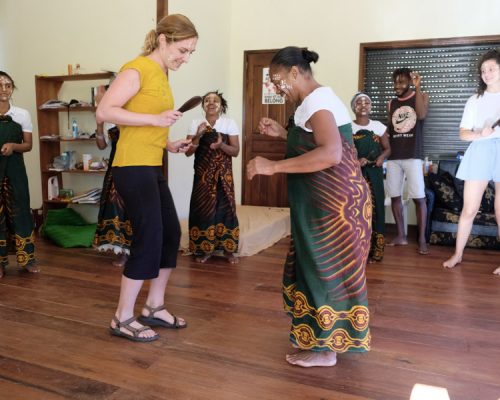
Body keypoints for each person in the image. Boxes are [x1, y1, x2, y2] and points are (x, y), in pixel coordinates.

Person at [247, 47, 371, 368]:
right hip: (322, 204)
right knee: (312, 267)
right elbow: (314, 143)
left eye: (277, 80)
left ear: (294, 73)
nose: (276, 87)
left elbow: (330, 153)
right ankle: (318, 341)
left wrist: (271, 167)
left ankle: (325, 349)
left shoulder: (317, 100)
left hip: (333, 207)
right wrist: (282, 135)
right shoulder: (310, 104)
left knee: (323, 271)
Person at [96, 14, 197, 342]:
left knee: (169, 234)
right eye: (182, 50)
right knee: (150, 238)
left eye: (190, 53)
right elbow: (105, 111)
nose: (185, 58)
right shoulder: (137, 68)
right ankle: (122, 317)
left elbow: (141, 126)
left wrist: (169, 142)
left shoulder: (162, 73)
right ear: (163, 40)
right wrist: (155, 119)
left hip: (151, 164)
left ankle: (153, 307)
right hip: (131, 167)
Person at [443, 49, 500, 273]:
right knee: (469, 209)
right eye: (483, 70)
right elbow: (463, 133)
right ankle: (457, 255)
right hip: (480, 150)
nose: (486, 73)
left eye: (492, 69)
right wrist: (480, 134)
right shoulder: (475, 100)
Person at [185, 90, 240, 264]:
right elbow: (188, 152)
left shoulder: (229, 123)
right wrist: (199, 135)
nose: (210, 103)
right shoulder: (195, 123)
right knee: (202, 209)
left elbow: (235, 151)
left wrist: (221, 144)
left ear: (221, 105)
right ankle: (204, 249)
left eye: (215, 100)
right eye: (207, 100)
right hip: (202, 176)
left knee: (226, 209)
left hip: (224, 175)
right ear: (203, 105)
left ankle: (228, 250)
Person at [385, 67, 430, 255]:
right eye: (395, 82)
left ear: (410, 82)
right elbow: (391, 128)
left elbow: (420, 115)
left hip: (413, 155)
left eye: (402, 82)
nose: (397, 85)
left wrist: (418, 88)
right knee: (395, 196)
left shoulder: (421, 96)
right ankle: (401, 236)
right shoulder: (391, 103)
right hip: (394, 157)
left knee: (419, 198)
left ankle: (421, 239)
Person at [0, 71, 39, 278]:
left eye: (8, 85)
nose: (4, 89)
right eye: (0, 85)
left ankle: (27, 260)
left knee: (21, 209)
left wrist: (13, 146)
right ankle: (0, 262)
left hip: (15, 169)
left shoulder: (21, 114)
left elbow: (28, 145)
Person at [93, 84, 132, 268]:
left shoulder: (131, 112)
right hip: (115, 167)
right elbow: (101, 145)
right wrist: (99, 124)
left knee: (134, 208)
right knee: (115, 207)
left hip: (134, 165)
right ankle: (121, 251)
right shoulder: (108, 119)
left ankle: (137, 249)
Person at [351, 92, 391, 262]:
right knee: (355, 210)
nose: (363, 105)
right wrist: (355, 160)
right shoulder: (347, 127)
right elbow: (344, 149)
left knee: (376, 210)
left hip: (373, 173)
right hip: (355, 173)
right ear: (353, 107)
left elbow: (387, 149)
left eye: (366, 102)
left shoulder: (378, 126)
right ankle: (356, 251)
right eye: (359, 103)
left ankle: (375, 251)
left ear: (371, 106)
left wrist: (381, 158)